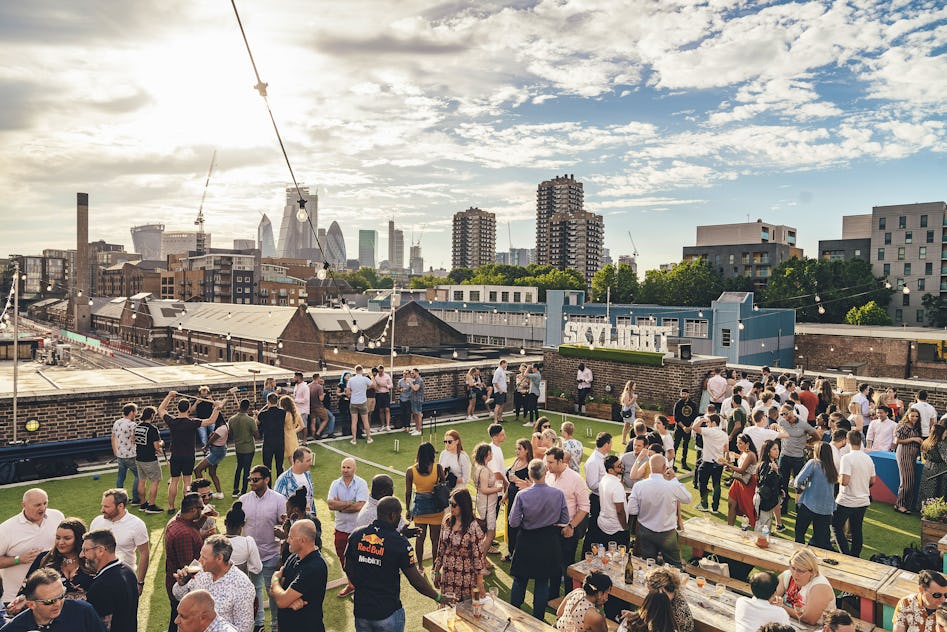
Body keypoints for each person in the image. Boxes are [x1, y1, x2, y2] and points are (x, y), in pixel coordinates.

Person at [346, 497, 455, 631]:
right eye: (399, 515)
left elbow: (348, 567)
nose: (400, 519)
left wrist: (363, 586)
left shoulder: (356, 535)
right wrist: (438, 597)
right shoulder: (399, 543)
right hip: (388, 612)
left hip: (362, 611)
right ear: (393, 516)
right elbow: (416, 580)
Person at [508, 458, 569, 620]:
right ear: (545, 472)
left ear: (530, 474)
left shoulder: (522, 495)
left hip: (527, 540)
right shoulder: (558, 494)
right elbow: (564, 519)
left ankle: (513, 614)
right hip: (548, 540)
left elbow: (513, 522)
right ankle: (538, 619)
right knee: (542, 582)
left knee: (520, 579)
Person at [172, 534, 256, 632]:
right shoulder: (200, 572)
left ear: (219, 558)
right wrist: (181, 584)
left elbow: (244, 628)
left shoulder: (242, 586)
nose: (199, 560)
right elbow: (178, 595)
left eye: (204, 558)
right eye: (200, 555)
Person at [159, 391, 222, 515]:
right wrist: (217, 408)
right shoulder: (193, 422)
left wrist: (170, 396)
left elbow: (161, 409)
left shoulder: (172, 421)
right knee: (187, 482)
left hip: (175, 456)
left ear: (178, 408)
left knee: (174, 481)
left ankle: (171, 507)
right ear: (188, 409)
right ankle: (186, 506)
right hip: (188, 456)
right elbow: (211, 420)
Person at [238, 466, 284, 632]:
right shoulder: (243, 500)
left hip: (271, 555)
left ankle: (275, 626)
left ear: (266, 480)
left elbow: (284, 527)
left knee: (273, 593)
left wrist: (280, 554)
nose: (251, 483)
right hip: (250, 558)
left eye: (255, 479)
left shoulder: (279, 500)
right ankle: (259, 625)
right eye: (250, 479)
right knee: (254, 593)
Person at [0, 488, 65, 605]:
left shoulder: (57, 516)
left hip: (52, 596)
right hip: (15, 598)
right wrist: (18, 559)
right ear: (24, 505)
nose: (43, 508)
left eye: (45, 503)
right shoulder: (6, 529)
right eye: (37, 505)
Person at [627, 454, 691, 567]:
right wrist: (674, 479)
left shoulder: (639, 486)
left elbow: (632, 510)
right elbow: (687, 498)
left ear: (650, 467)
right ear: (664, 467)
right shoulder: (671, 485)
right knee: (674, 567)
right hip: (667, 532)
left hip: (646, 530)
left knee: (649, 566)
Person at [545, 447, 590, 600]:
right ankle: (552, 597)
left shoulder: (576, 479)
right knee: (552, 565)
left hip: (568, 529)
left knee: (567, 567)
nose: (548, 465)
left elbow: (584, 507)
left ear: (560, 461)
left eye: (551, 462)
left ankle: (570, 600)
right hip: (551, 529)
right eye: (547, 462)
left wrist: (571, 526)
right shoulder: (549, 476)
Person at [0, 568, 106, 632]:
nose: (58, 603)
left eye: (61, 596)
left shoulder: (83, 611)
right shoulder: (14, 628)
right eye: (50, 601)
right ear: (31, 604)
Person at [269, 519, 327, 632]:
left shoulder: (315, 567)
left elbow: (280, 600)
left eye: (291, 537)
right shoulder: (293, 557)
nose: (288, 540)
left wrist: (275, 578)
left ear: (302, 540)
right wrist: (289, 602)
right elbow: (272, 591)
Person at [89, 489, 149, 592]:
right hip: (97, 578)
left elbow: (144, 553)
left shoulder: (137, 525)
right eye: (102, 505)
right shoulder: (97, 522)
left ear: (120, 506)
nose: (102, 510)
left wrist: (140, 582)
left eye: (106, 507)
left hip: (124, 578)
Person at [79, 529, 138, 632]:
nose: (81, 555)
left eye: (85, 550)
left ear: (100, 550)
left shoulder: (101, 585)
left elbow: (98, 626)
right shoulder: (128, 570)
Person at [432, 488, 485, 600]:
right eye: (450, 503)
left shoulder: (473, 527)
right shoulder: (447, 521)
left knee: (463, 611)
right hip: (447, 575)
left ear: (463, 506)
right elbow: (441, 548)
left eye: (454, 505)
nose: (450, 507)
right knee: (446, 609)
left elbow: (478, 557)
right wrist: (436, 571)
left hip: (465, 577)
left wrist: (480, 583)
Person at [327, 458, 368, 598]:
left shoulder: (361, 483)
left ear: (354, 469)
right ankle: (351, 584)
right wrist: (349, 503)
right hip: (340, 528)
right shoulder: (335, 484)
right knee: (342, 558)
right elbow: (330, 505)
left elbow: (360, 506)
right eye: (343, 467)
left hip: (357, 529)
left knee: (359, 559)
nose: (345, 470)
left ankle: (361, 587)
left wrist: (341, 506)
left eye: (348, 467)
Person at [165, 492, 205, 632]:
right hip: (182, 587)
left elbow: (193, 528)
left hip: (174, 582)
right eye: (201, 507)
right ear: (194, 510)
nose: (203, 509)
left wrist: (204, 518)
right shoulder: (184, 534)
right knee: (182, 623)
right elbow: (188, 567)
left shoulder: (176, 522)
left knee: (175, 620)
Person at [832, 430, 876, 558]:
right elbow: (873, 480)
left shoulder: (847, 458)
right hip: (862, 500)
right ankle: (855, 555)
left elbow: (844, 481)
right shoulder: (868, 458)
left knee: (836, 526)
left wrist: (837, 478)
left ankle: (846, 554)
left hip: (846, 499)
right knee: (857, 529)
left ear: (847, 441)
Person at [405, 442, 445, 572]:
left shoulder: (411, 471)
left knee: (419, 539)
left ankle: (420, 566)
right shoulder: (438, 467)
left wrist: (407, 509)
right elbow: (443, 487)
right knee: (435, 540)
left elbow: (408, 492)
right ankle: (435, 567)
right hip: (436, 510)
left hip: (419, 510)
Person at [777, 403, 823, 516]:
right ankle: (784, 506)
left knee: (799, 484)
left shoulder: (804, 425)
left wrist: (806, 443)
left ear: (791, 412)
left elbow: (817, 436)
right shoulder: (782, 422)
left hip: (798, 457)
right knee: (782, 482)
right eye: (781, 414)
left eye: (784, 413)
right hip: (784, 456)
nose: (782, 416)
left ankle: (799, 507)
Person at [774, 549, 837, 625]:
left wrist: (782, 606)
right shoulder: (787, 575)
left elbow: (809, 619)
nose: (795, 574)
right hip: (789, 622)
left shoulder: (819, 587)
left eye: (800, 571)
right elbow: (772, 597)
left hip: (814, 628)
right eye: (793, 568)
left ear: (812, 572)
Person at [793, 443, 837, 550]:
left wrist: (801, 487)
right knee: (822, 540)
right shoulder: (832, 467)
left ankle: (800, 555)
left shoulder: (813, 463)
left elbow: (798, 481)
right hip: (826, 509)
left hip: (810, 504)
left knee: (800, 532)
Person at [472, 443, 502, 573]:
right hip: (487, 505)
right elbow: (484, 489)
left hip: (485, 503)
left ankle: (482, 561)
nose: (492, 455)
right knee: (490, 533)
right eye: (490, 453)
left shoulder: (479, 467)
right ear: (486, 455)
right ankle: (480, 564)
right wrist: (498, 488)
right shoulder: (483, 470)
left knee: (486, 533)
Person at [582, 432, 611, 555]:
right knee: (594, 529)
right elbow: (592, 484)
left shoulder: (603, 458)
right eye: (610, 443)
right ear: (606, 444)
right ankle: (587, 554)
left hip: (604, 499)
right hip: (596, 499)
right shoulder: (593, 461)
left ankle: (599, 553)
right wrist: (609, 482)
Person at [692, 414, 728, 513]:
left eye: (708, 422)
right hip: (719, 463)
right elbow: (726, 449)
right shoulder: (724, 434)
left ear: (713, 423)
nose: (706, 424)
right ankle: (715, 508)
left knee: (702, 483)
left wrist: (702, 419)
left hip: (708, 462)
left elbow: (694, 428)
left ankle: (704, 505)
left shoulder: (708, 431)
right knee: (716, 485)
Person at [504, 438, 533, 562]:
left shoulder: (530, 466)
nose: (516, 451)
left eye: (519, 449)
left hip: (522, 500)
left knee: (519, 526)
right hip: (511, 497)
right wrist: (505, 495)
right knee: (510, 524)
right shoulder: (516, 461)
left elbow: (532, 485)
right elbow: (510, 482)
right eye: (516, 448)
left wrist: (516, 480)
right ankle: (511, 552)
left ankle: (519, 553)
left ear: (526, 450)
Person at [134, 406, 165, 514]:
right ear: (152, 415)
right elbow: (157, 447)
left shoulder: (137, 427)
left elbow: (133, 440)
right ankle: (151, 505)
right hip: (150, 459)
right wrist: (161, 443)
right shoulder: (153, 429)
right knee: (155, 481)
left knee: (142, 481)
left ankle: (143, 504)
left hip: (139, 457)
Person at [645, 565, 694, 632]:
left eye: (650, 592)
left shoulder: (676, 613)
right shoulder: (672, 595)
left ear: (661, 590)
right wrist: (636, 616)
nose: (649, 595)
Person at [724, 434, 758, 529]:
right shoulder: (744, 452)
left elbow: (742, 470)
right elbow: (743, 459)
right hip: (738, 481)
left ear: (747, 444)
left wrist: (727, 464)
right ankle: (729, 527)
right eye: (737, 443)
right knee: (731, 503)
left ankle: (756, 530)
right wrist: (736, 456)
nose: (738, 445)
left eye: (740, 443)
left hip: (748, 484)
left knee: (748, 508)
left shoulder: (751, 454)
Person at [227, 399, 258, 499]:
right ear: (248, 407)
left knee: (239, 468)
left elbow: (230, 433)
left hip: (238, 447)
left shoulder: (231, 419)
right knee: (247, 470)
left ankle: (235, 489)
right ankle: (244, 490)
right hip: (249, 448)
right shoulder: (250, 420)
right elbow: (256, 435)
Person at [895, 407, 923, 514]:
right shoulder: (904, 427)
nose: (914, 418)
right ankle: (900, 504)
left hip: (913, 456)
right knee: (906, 481)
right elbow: (897, 440)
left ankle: (907, 504)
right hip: (903, 454)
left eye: (916, 416)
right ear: (908, 415)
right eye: (912, 416)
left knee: (911, 481)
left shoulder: (916, 427)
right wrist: (914, 439)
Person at [112, 403, 141, 506]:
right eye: (136, 411)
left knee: (120, 477)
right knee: (138, 476)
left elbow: (113, 437)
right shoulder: (133, 425)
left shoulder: (117, 422)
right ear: (132, 412)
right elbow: (134, 439)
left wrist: (115, 451)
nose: (136, 413)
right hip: (131, 455)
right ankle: (135, 498)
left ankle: (119, 499)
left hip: (120, 454)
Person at [597, 455, 629, 548]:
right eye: (619, 466)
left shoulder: (604, 479)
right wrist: (625, 527)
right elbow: (620, 511)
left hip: (603, 523)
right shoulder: (616, 485)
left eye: (621, 464)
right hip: (616, 527)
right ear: (610, 470)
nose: (622, 467)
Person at [222, 503, 262, 576]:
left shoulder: (215, 541)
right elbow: (257, 568)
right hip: (241, 583)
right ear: (243, 523)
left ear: (225, 522)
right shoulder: (248, 542)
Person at [274, 447, 315, 513]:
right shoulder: (283, 480)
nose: (311, 463)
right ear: (297, 462)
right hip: (293, 521)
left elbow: (310, 497)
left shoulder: (307, 474)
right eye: (308, 461)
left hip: (309, 518)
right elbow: (278, 504)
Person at [256, 393, 286, 479]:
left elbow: (258, 426)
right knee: (279, 466)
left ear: (268, 401)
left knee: (267, 467)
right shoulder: (282, 413)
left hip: (268, 443)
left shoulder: (263, 414)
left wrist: (257, 417)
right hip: (280, 442)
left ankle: (268, 486)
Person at [756, 440, 784, 531]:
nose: (777, 451)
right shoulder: (766, 464)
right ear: (768, 451)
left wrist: (780, 490)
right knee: (762, 525)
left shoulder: (773, 462)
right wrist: (774, 471)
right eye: (774, 449)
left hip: (769, 500)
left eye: (778, 449)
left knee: (766, 525)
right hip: (765, 500)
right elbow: (763, 481)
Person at [920, 422, 947, 511]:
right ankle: (935, 511)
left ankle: (924, 509)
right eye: (944, 432)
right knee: (938, 492)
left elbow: (923, 457)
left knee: (926, 491)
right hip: (939, 470)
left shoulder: (926, 442)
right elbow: (945, 457)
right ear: (940, 433)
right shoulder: (940, 444)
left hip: (927, 468)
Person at [345, 365, 374, 444]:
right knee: (365, 421)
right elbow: (374, 385)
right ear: (362, 371)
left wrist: (352, 393)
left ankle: (354, 439)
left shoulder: (351, 380)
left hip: (353, 402)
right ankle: (368, 438)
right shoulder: (365, 379)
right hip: (362, 402)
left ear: (355, 371)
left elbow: (347, 393)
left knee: (354, 421)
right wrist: (371, 376)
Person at [673, 388, 698, 470]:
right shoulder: (678, 404)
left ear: (688, 394)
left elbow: (694, 417)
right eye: (682, 394)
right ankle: (672, 463)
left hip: (688, 428)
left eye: (685, 394)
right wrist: (683, 427)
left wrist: (690, 427)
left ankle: (684, 463)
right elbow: (676, 418)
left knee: (686, 446)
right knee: (675, 445)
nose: (683, 395)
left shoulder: (693, 404)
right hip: (679, 428)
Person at [278, 395, 304, 464]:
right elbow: (302, 426)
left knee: (280, 459)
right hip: (293, 436)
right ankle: (296, 472)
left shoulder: (284, 415)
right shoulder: (297, 413)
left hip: (284, 436)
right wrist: (293, 431)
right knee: (292, 458)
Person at [374, 365, 394, 431]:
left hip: (385, 394)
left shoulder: (387, 376)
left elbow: (391, 385)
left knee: (387, 409)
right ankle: (382, 425)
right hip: (378, 394)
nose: (380, 372)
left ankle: (388, 425)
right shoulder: (376, 377)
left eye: (381, 371)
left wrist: (385, 385)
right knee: (381, 410)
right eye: (379, 371)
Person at [409, 368, 425, 436]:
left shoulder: (419, 380)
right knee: (415, 414)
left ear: (417, 372)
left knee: (418, 414)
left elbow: (415, 388)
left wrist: (410, 383)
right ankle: (416, 428)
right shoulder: (415, 380)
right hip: (413, 399)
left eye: (413, 373)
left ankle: (419, 430)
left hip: (418, 399)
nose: (411, 375)